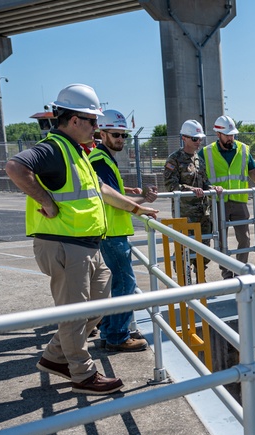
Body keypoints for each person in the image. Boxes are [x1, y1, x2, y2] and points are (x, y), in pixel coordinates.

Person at [4, 83, 157, 396]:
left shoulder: (79, 152)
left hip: (88, 244)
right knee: (74, 314)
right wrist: (45, 201)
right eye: (92, 121)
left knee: (96, 308)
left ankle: (55, 357)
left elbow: (102, 190)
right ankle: (83, 375)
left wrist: (138, 208)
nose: (96, 128)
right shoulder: (54, 148)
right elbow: (15, 167)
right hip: (64, 243)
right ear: (74, 120)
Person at [89, 108, 158, 352]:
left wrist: (132, 192)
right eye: (115, 134)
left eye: (123, 135)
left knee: (119, 284)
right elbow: (109, 197)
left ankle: (109, 331)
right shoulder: (100, 159)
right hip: (112, 231)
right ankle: (118, 336)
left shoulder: (104, 159)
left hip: (111, 230)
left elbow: (111, 189)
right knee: (125, 284)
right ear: (102, 133)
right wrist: (142, 208)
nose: (120, 139)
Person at [201, 115, 255, 279]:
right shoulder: (206, 152)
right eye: (227, 135)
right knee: (221, 242)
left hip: (239, 201)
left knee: (245, 239)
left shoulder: (244, 149)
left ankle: (240, 270)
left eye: (232, 134)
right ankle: (227, 272)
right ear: (218, 134)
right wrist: (210, 187)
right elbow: (200, 175)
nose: (230, 137)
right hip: (217, 202)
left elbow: (252, 171)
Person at [163, 119, 217, 254]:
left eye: (200, 139)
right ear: (184, 138)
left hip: (203, 214)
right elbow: (170, 185)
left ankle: (200, 275)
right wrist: (190, 189)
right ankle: (184, 275)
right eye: (195, 139)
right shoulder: (174, 159)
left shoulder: (199, 160)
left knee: (203, 252)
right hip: (185, 215)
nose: (198, 142)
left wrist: (212, 188)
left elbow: (204, 182)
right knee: (184, 252)